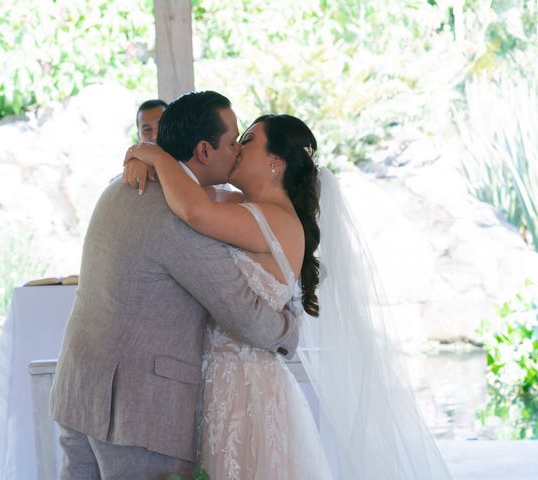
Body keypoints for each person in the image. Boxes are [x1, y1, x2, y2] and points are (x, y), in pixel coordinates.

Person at [124, 114, 455, 479]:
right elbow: (187, 189)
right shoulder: (240, 207)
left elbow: (193, 210)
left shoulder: (275, 218)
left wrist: (152, 154)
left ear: (275, 162)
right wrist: (143, 160)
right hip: (217, 382)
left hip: (246, 391)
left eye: (247, 141)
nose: (236, 148)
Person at [48, 91, 300, 480]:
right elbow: (242, 315)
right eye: (233, 141)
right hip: (136, 414)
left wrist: (144, 154)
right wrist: (290, 330)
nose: (236, 151)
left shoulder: (121, 184)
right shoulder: (179, 216)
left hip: (79, 391)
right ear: (203, 150)